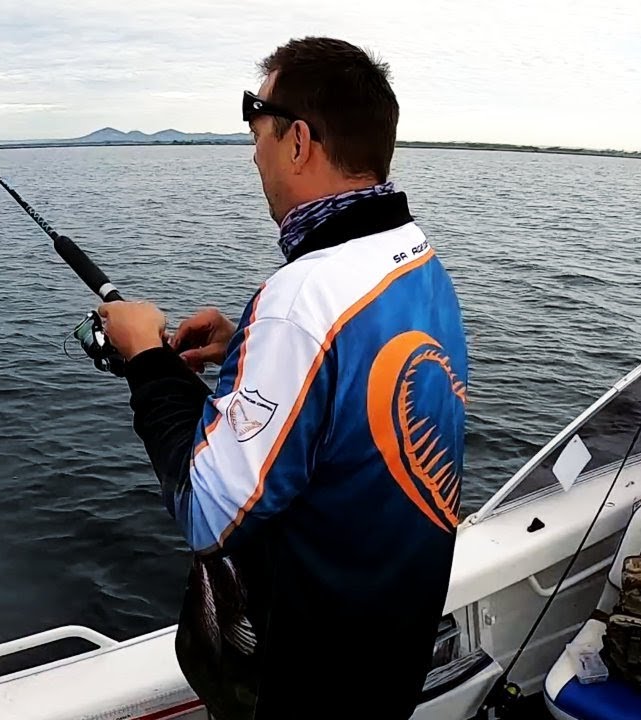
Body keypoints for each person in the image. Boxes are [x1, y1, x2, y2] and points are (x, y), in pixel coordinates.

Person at [98, 36, 469, 718]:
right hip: (392, 652)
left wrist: (144, 357)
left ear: (298, 141)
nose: (254, 155)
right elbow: (367, 393)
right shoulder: (417, 261)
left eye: (258, 134)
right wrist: (247, 347)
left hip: (313, 679)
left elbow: (207, 512)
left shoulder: (302, 301)